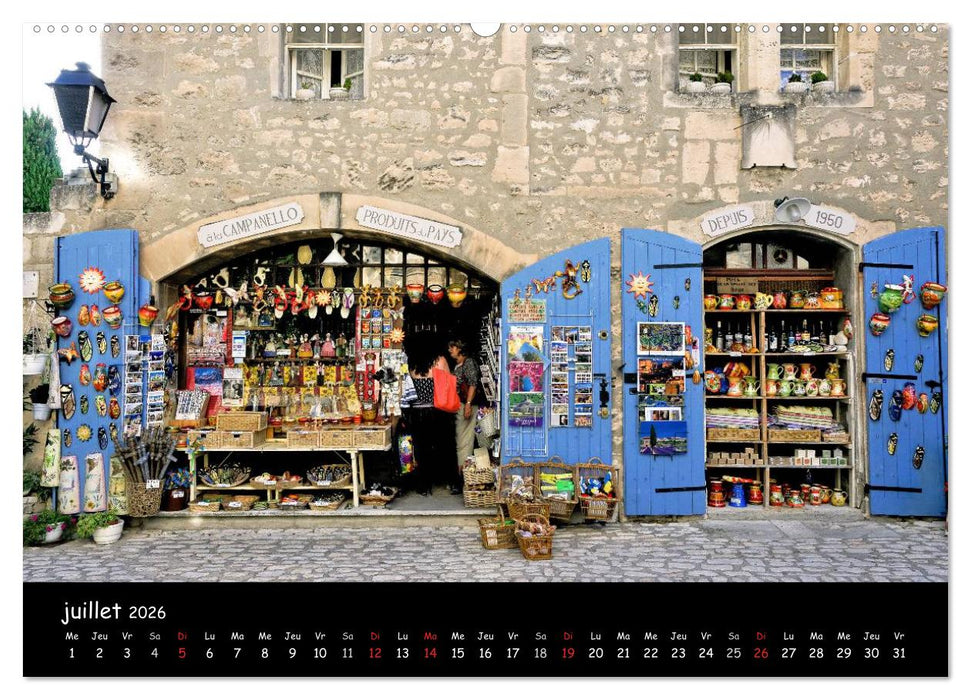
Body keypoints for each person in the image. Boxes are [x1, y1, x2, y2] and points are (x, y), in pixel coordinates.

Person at [400, 332, 456, 496]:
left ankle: (424, 485)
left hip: (417, 413)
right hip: (438, 411)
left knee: (421, 449)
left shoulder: (412, 365)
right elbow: (449, 384)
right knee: (445, 447)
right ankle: (451, 481)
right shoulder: (440, 361)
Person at [448, 338, 481, 494]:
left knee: (464, 441)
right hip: (460, 405)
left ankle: (462, 479)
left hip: (466, 406)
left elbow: (473, 383)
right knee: (461, 441)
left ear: (459, 348)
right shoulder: (460, 364)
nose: (450, 350)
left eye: (452, 347)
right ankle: (461, 478)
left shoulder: (468, 363)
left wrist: (468, 403)